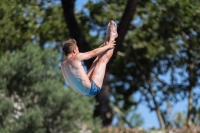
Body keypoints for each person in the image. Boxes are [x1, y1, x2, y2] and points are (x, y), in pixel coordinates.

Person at [61, 20, 118, 96]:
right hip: (92, 89)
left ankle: (107, 39)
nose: (79, 51)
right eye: (78, 49)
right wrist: (108, 46)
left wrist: (105, 45)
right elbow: (93, 53)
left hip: (84, 91)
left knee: (95, 62)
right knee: (102, 61)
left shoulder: (63, 64)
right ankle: (112, 37)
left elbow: (96, 52)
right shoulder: (77, 57)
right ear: (74, 51)